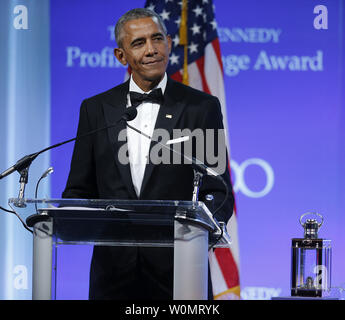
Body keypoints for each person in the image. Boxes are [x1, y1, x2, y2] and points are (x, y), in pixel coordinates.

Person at [62, 8, 234, 300]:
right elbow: (78, 188)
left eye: (157, 39)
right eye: (139, 43)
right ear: (121, 55)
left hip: (181, 270)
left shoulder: (201, 107)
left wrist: (195, 234)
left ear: (169, 42)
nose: (151, 49)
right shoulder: (95, 109)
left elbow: (218, 192)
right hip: (112, 274)